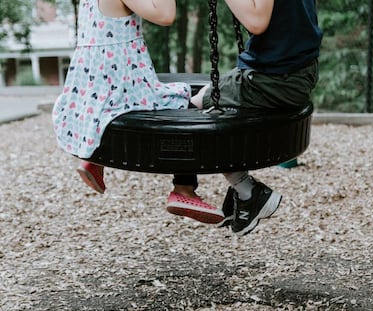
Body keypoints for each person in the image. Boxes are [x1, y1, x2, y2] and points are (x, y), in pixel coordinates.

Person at [52, 0, 225, 223]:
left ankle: (94, 156)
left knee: (119, 108)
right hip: (122, 82)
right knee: (183, 103)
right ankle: (184, 188)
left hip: (94, 88)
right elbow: (165, 16)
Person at [166, 0, 323, 236]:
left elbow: (257, 21)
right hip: (295, 71)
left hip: (275, 79)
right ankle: (243, 191)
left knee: (196, 104)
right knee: (216, 103)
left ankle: (196, 188)